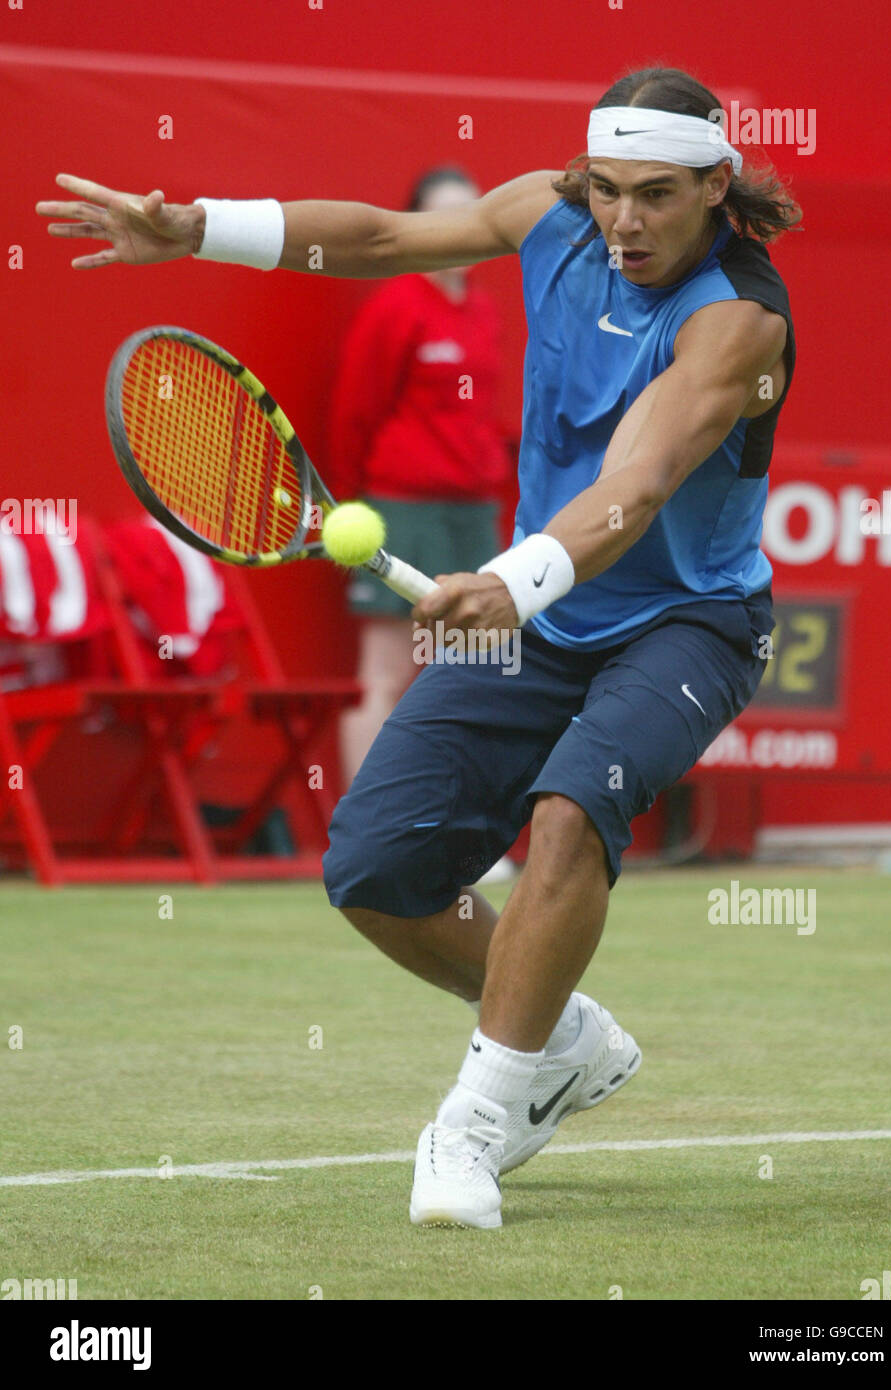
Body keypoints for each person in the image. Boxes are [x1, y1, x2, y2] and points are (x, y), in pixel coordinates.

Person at [37, 63, 800, 1231]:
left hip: (687, 623)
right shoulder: (552, 219)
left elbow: (635, 486)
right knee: (375, 865)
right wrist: (197, 228)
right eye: (606, 190)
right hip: (544, 618)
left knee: (565, 814)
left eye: (656, 194)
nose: (625, 220)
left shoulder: (738, 320)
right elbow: (384, 236)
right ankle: (558, 1038)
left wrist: (508, 578)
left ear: (716, 186)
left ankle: (476, 1122)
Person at [329, 167, 512, 882]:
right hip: (397, 510)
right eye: (443, 218)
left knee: (474, 675)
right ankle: (369, 837)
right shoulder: (396, 306)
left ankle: (460, 838)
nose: (459, 233)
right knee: (385, 675)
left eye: (473, 216)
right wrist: (353, 504)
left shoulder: (482, 309)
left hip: (473, 512)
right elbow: (354, 413)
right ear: (413, 228)